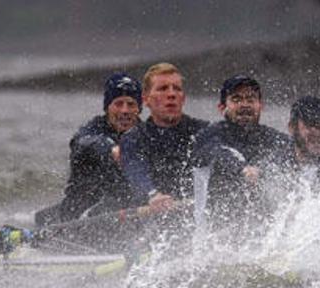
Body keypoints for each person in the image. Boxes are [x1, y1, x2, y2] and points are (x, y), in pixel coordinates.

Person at [35, 73, 142, 227]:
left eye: (131, 104)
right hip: (80, 216)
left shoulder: (146, 135)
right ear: (107, 107)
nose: (125, 110)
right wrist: (110, 148)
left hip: (125, 214)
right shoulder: (91, 130)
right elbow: (81, 143)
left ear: (138, 108)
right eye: (119, 104)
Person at [191, 75, 290, 232]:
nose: (245, 105)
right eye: (236, 99)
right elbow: (214, 152)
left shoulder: (275, 138)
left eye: (251, 100)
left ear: (260, 106)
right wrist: (242, 169)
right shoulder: (208, 135)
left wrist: (261, 168)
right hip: (217, 232)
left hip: (264, 228)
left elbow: (287, 154)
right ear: (222, 108)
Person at [120, 62, 209, 215]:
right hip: (152, 215)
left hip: (196, 213)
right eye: (162, 89)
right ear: (146, 100)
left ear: (183, 98)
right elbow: (135, 170)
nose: (171, 94)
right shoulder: (132, 138)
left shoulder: (205, 132)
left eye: (177, 89)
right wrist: (152, 194)